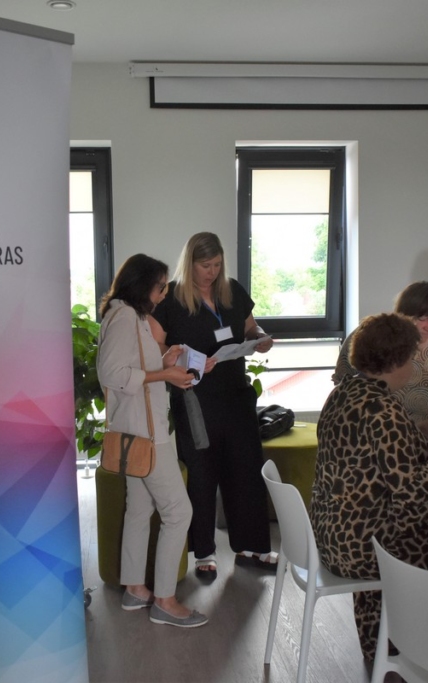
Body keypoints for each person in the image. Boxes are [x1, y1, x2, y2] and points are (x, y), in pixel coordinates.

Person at [312, 313, 428, 662]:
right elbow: (413, 494)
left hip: (335, 535)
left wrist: (419, 430)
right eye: (411, 359)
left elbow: (369, 450)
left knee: (413, 530)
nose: (414, 366)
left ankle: (381, 646)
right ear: (395, 361)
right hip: (370, 548)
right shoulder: (384, 411)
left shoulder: (343, 394)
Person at [150, 232, 276, 583]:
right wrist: (181, 358)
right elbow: (156, 349)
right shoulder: (171, 299)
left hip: (235, 393)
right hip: (195, 399)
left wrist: (259, 339)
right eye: (205, 265)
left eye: (217, 264)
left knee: (246, 468)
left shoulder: (232, 290)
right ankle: (204, 552)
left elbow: (251, 327)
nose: (212, 272)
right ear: (190, 263)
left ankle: (252, 547)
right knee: (202, 474)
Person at [97, 254, 208, 628]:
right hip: (146, 433)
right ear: (141, 284)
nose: (162, 295)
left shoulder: (130, 315)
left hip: (138, 430)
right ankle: (165, 600)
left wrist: (165, 360)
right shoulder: (125, 317)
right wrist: (165, 375)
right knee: (179, 512)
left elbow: (135, 367)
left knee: (140, 508)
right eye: (160, 287)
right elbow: (113, 374)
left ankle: (134, 590)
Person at [334, 281, 428, 439]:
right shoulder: (371, 336)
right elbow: (344, 383)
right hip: (384, 436)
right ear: (404, 313)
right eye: (423, 319)